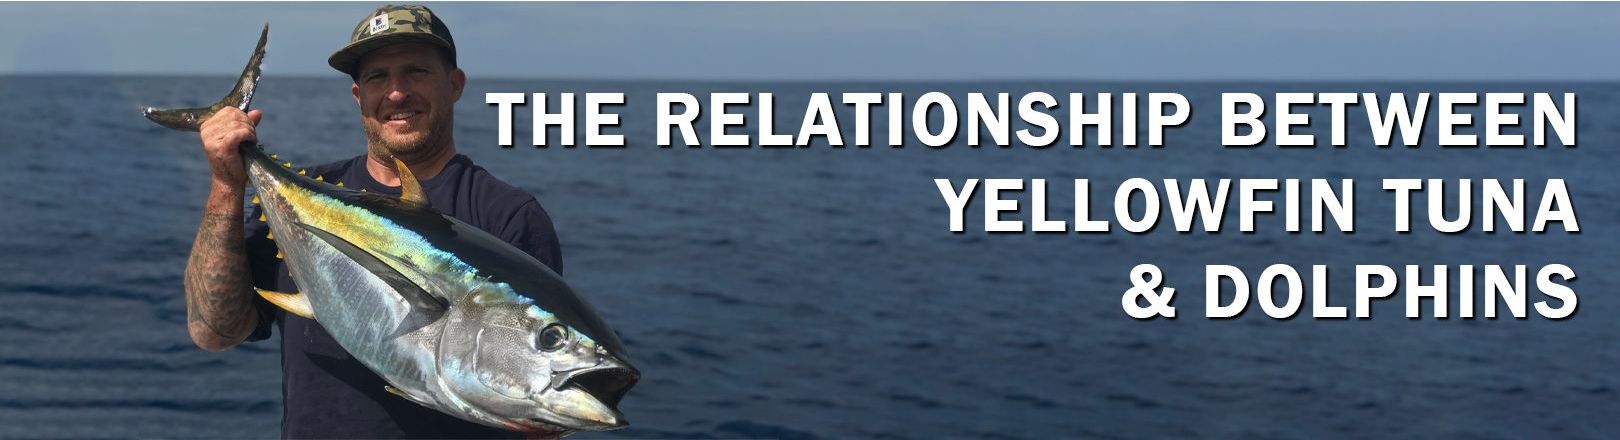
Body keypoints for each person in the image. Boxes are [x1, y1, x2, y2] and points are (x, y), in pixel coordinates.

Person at [181, 4, 562, 438]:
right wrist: (226, 185)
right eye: (377, 77)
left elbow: (537, 389)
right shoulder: (305, 196)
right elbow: (213, 331)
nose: (397, 93)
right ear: (358, 96)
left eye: (416, 72)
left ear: (454, 85)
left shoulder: (509, 215)